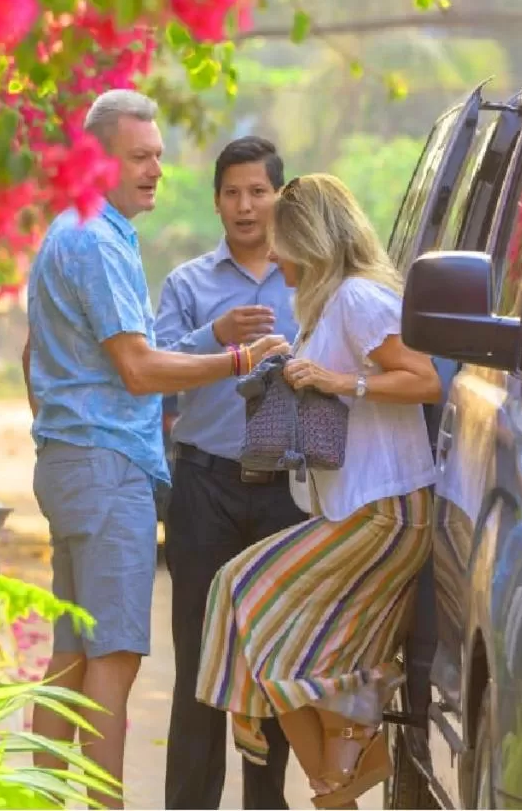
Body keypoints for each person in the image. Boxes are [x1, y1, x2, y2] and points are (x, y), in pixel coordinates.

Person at [21, 89, 290, 809]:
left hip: (77, 463)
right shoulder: (96, 241)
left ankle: (43, 799)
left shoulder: (71, 232)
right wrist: (237, 363)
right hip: (107, 471)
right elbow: (140, 370)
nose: (154, 172)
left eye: (158, 159)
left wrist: (64, 429)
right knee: (113, 655)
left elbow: (38, 357)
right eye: (140, 157)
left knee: (74, 656)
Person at [194, 173, 442, 810]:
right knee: (298, 657)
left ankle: (337, 765)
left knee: (241, 592)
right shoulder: (329, 306)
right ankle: (338, 783)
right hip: (353, 511)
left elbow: (425, 380)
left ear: (309, 239)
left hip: (386, 513)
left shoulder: (360, 298)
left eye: (279, 242)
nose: (271, 256)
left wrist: (339, 382)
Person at [154, 136, 304, 810]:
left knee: (271, 663)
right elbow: (152, 370)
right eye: (232, 193)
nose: (245, 206)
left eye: (258, 191)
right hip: (205, 487)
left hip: (290, 494)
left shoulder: (309, 277)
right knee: (199, 663)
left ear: (281, 195)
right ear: (216, 201)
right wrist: (214, 336)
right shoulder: (187, 284)